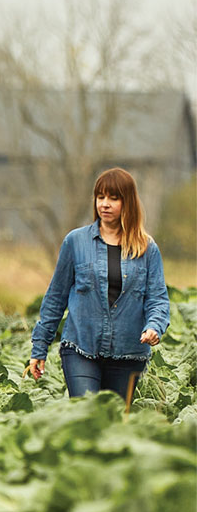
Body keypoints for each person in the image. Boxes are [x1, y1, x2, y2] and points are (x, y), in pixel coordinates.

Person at [27, 167, 169, 404]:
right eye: (100, 197)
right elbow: (55, 297)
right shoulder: (75, 242)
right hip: (81, 348)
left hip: (128, 354)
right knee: (87, 413)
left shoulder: (147, 249)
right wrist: (39, 347)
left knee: (112, 426)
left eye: (113, 198)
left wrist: (154, 326)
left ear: (129, 203)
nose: (104, 204)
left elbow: (157, 298)